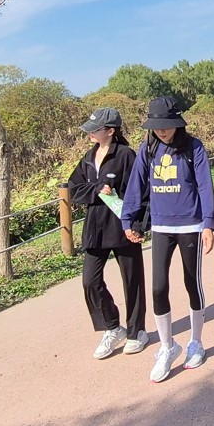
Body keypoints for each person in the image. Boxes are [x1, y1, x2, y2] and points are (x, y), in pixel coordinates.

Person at [121, 96, 214, 383]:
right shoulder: (148, 148)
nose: (161, 130)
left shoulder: (193, 147)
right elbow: (136, 185)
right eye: (156, 126)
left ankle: (196, 342)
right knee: (158, 288)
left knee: (192, 283)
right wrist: (127, 219)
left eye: (166, 125)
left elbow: (205, 185)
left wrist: (209, 224)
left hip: (190, 225)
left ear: (177, 122)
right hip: (161, 226)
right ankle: (167, 346)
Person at [66, 107, 147, 360]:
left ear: (110, 131)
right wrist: (98, 188)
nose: (90, 134)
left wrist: (138, 225)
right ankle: (112, 327)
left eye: (95, 130)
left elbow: (139, 191)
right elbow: (74, 188)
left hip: (123, 226)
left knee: (132, 281)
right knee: (90, 281)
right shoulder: (88, 157)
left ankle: (137, 332)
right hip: (95, 228)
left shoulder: (126, 155)